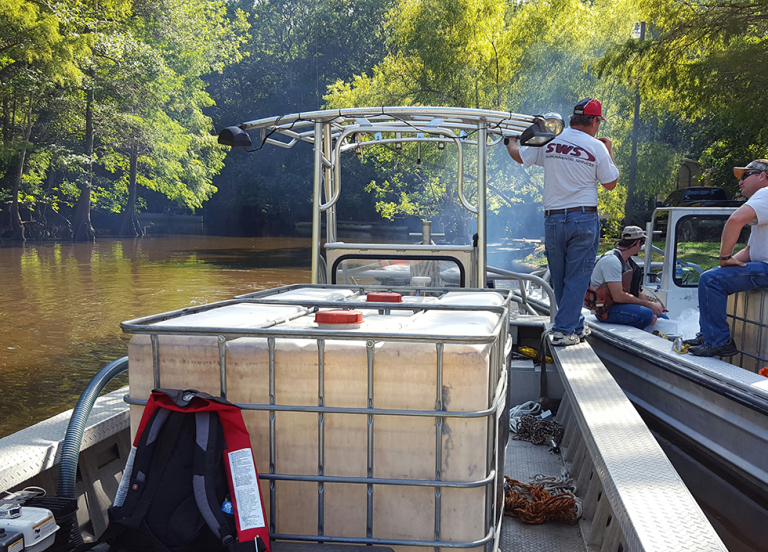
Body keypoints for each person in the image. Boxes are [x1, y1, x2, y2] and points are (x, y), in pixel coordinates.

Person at [506, 98, 619, 346]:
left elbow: (519, 157)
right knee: (577, 277)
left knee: (560, 277)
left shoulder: (549, 138)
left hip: (554, 219)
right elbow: (610, 183)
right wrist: (609, 149)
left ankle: (574, 324)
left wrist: (510, 141)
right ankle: (564, 329)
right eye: (599, 122)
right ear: (594, 120)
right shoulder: (596, 147)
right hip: (583, 218)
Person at [685, 159, 768, 357]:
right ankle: (707, 336)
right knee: (711, 277)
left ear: (763, 176)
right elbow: (751, 249)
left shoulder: (765, 193)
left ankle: (718, 342)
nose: (740, 181)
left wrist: (724, 258)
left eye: (745, 175)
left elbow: (734, 220)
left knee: (710, 280)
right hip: (763, 265)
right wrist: (722, 268)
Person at [590, 225, 666, 329]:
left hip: (621, 305)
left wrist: (654, 306)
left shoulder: (628, 262)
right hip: (605, 309)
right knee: (646, 315)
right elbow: (618, 296)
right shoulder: (612, 261)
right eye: (642, 243)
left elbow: (637, 292)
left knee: (663, 318)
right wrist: (648, 305)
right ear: (638, 242)